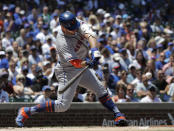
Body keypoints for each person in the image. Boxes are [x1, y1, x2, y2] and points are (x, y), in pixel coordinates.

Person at [16, 11, 128, 127]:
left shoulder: (77, 23)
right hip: (67, 70)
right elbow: (75, 62)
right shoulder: (61, 41)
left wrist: (94, 50)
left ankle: (118, 114)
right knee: (62, 106)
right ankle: (27, 111)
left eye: (74, 27)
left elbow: (90, 36)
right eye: (71, 29)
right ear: (62, 27)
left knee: (100, 89)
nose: (74, 30)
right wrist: (86, 63)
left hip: (82, 66)